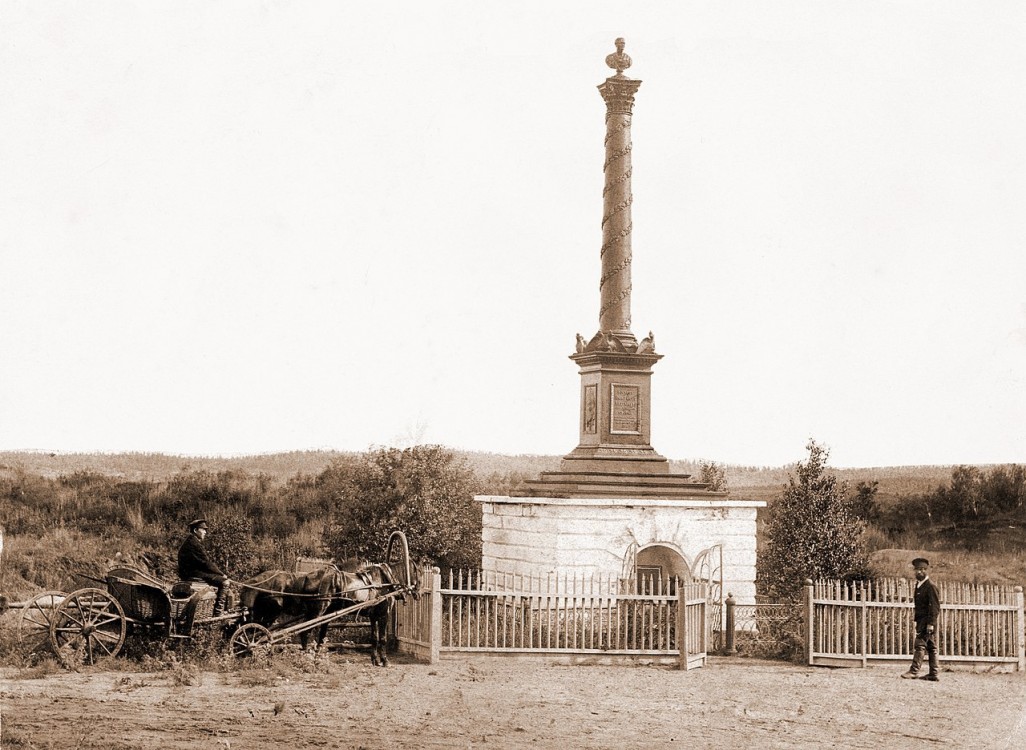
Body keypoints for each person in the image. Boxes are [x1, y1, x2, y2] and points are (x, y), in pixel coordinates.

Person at [177, 519, 231, 615]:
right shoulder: (194, 544)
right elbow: (206, 563)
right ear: (195, 530)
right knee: (225, 583)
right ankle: (218, 612)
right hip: (193, 574)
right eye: (203, 529)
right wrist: (221, 574)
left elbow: (204, 563)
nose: (205, 532)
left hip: (189, 573)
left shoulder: (190, 542)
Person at [901, 557, 940, 681]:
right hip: (922, 620)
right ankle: (933, 673)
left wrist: (931, 624)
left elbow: (934, 607)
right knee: (931, 647)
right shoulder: (919, 585)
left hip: (927, 621)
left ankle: (914, 671)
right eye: (917, 569)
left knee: (920, 644)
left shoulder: (930, 586)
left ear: (926, 570)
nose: (919, 572)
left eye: (922, 569)